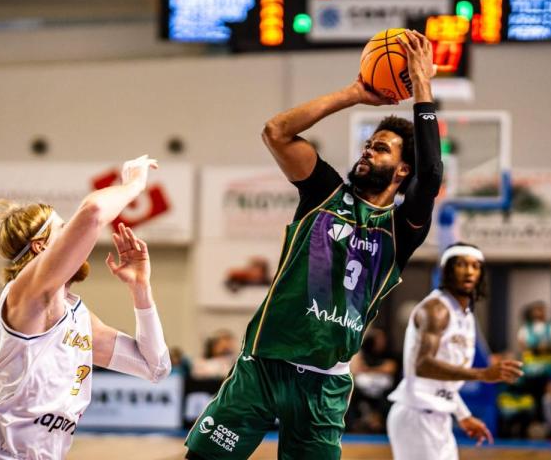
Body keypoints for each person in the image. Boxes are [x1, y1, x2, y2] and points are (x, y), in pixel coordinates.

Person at [185, 30, 444, 460]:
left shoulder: (401, 229)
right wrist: (354, 93)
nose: (367, 152)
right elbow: (276, 132)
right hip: (262, 367)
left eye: (380, 149)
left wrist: (421, 86)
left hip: (324, 385)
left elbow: (432, 174)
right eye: (368, 144)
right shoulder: (324, 192)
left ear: (401, 172)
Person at [0, 155, 171, 460]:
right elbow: (94, 211)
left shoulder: (78, 319)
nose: (76, 236)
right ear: (41, 247)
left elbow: (157, 368)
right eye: (64, 228)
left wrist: (141, 289)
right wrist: (134, 185)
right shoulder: (27, 292)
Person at [387, 243, 523, 459]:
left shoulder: (465, 315)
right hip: (417, 415)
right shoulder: (436, 309)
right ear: (447, 270)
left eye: (475, 266)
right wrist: (482, 374)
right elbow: (423, 365)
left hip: (439, 416)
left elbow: (444, 383)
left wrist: (463, 415)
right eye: (461, 264)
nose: (469, 271)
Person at [348, 328, 398, 433]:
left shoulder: (388, 352)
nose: (380, 341)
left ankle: (382, 424)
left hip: (384, 390)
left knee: (388, 399)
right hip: (363, 389)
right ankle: (353, 425)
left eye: (382, 338)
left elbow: (391, 367)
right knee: (351, 394)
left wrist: (369, 370)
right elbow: (356, 369)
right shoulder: (364, 352)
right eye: (377, 338)